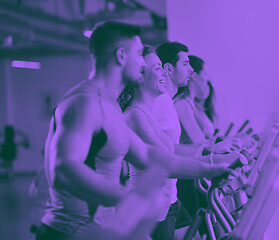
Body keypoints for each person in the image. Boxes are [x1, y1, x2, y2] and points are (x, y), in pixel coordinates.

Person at [36, 22, 235, 240]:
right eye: (139, 53)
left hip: (99, 231)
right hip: (69, 234)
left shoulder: (110, 106)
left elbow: (150, 155)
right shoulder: (85, 103)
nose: (143, 62)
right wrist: (131, 199)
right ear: (121, 56)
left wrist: (211, 168)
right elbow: (64, 169)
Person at [121, 46, 244, 240]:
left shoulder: (146, 112)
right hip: (151, 212)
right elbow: (166, 163)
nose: (163, 73)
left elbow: (172, 152)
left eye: (162, 67)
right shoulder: (134, 115)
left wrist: (216, 159)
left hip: (165, 206)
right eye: (157, 68)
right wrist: (213, 164)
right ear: (140, 76)